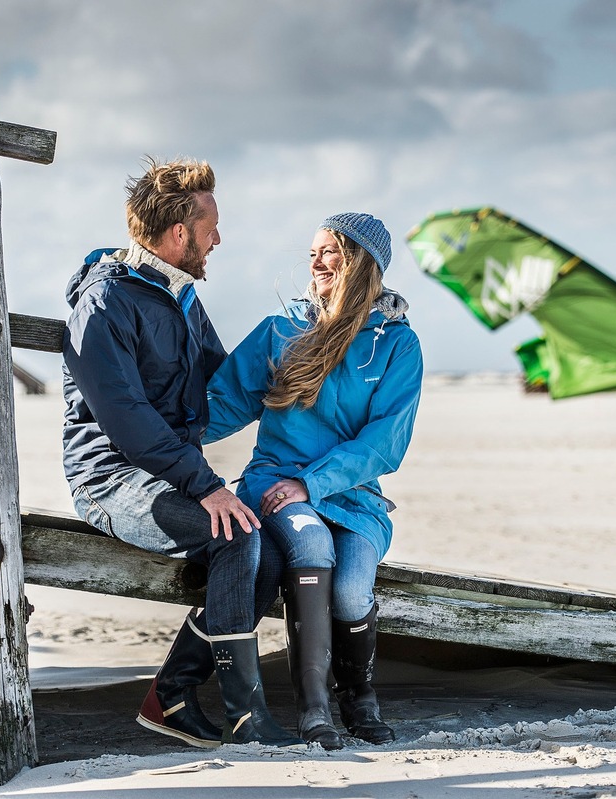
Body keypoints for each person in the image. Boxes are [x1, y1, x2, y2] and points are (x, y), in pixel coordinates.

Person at [61, 157, 299, 749]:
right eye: (211, 225)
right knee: (236, 535)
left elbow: (224, 383)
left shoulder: (182, 297)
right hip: (113, 479)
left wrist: (302, 370)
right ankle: (245, 716)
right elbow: (127, 421)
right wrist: (205, 484)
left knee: (268, 550)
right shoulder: (104, 304)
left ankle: (171, 693)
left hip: (171, 475)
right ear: (178, 234)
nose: (218, 237)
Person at [204, 212, 423, 749]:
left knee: (352, 590)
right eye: (313, 252)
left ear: (361, 263)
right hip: (276, 483)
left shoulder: (396, 344)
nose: (317, 262)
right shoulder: (282, 330)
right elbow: (222, 403)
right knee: (311, 540)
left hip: (352, 495)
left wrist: (315, 482)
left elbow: (384, 443)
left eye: (330, 251)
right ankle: (314, 706)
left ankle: (359, 696)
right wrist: (154, 440)